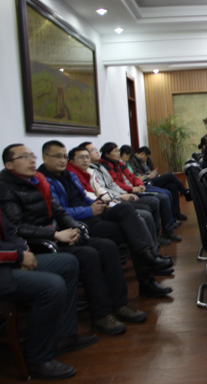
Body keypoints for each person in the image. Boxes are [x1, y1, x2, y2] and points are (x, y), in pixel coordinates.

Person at [0, 144, 144, 336]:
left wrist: (74, 227)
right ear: (9, 164)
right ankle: (102, 315)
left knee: (107, 246)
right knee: (89, 255)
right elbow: (17, 228)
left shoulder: (38, 181)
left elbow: (59, 211)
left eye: (32, 156)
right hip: (38, 244)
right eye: (24, 157)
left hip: (58, 234)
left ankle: (121, 304)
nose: (32, 160)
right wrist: (54, 234)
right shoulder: (6, 188)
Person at [38, 142, 174, 298]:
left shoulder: (69, 175)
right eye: (58, 156)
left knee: (126, 210)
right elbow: (61, 212)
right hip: (80, 222)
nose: (62, 160)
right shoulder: (44, 180)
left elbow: (85, 197)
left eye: (64, 156)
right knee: (133, 229)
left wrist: (99, 203)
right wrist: (90, 209)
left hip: (95, 211)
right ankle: (148, 271)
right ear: (45, 157)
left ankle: (149, 256)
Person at [0, 209, 97, 380]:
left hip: (9, 262)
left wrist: (24, 252)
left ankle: (64, 336)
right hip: (5, 269)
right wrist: (18, 257)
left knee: (68, 263)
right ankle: (38, 359)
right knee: (52, 286)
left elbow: (11, 233)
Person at [99, 142, 181, 243]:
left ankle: (168, 230)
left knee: (167, 192)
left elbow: (132, 177)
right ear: (107, 154)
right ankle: (157, 236)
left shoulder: (120, 164)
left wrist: (139, 184)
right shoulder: (105, 168)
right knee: (159, 199)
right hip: (126, 194)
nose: (118, 153)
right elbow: (115, 184)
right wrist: (132, 189)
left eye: (118, 150)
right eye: (115, 151)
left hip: (135, 189)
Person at [123, 145, 191, 221]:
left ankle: (176, 214)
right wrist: (148, 176)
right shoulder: (132, 160)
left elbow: (148, 170)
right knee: (170, 176)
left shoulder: (141, 160)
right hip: (146, 182)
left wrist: (152, 172)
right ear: (142, 154)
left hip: (149, 179)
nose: (146, 159)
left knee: (172, 186)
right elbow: (135, 175)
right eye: (146, 157)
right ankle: (185, 191)